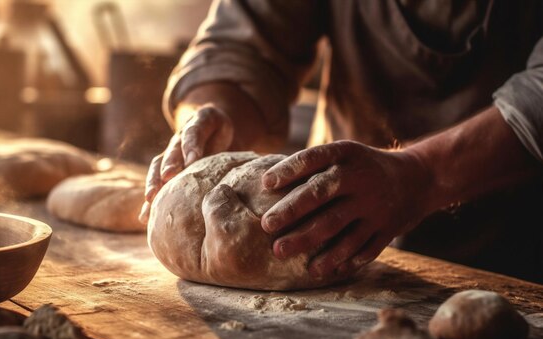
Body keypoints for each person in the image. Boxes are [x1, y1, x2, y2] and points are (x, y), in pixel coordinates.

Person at [139, 0, 543, 283]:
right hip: (326, 219)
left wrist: (421, 174)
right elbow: (243, 43)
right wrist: (217, 110)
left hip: (519, 250)